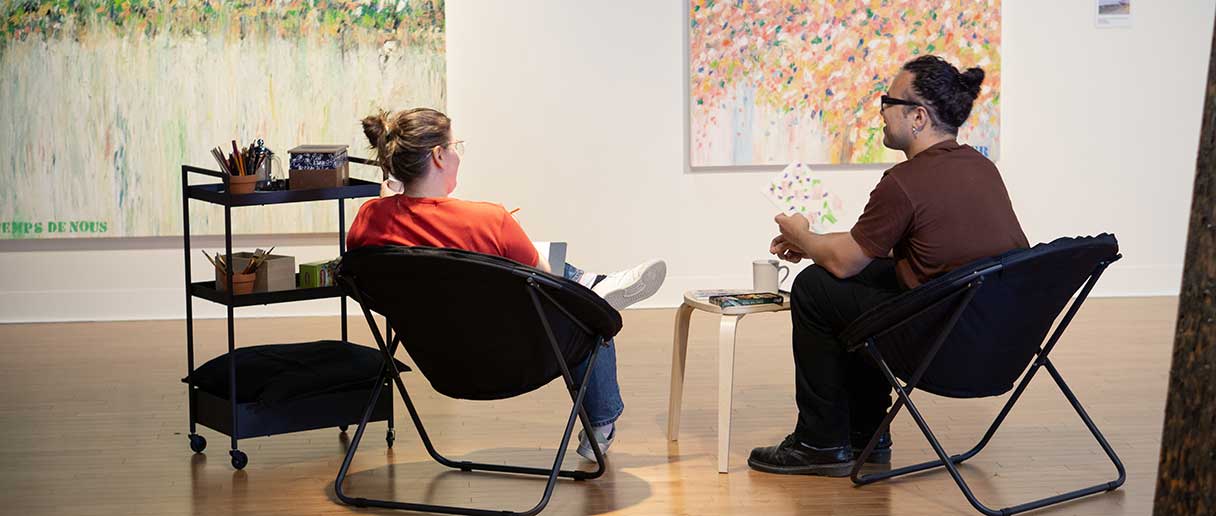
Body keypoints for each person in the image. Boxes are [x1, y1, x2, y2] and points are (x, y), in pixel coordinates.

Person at [747, 55, 1030, 476]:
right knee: (864, 275)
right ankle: (868, 436)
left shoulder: (904, 183)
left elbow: (844, 263)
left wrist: (801, 234)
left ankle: (820, 443)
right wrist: (815, 245)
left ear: (918, 117)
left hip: (946, 351)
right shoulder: (980, 167)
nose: (880, 110)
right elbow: (868, 247)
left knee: (814, 287)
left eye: (888, 100)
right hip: (1000, 345)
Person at [346, 107, 666, 461]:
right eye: (456, 147)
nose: (457, 156)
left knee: (541, 278)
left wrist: (389, 199)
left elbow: (384, 252)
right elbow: (548, 279)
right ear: (438, 155)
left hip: (443, 363)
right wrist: (511, 239)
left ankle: (595, 283)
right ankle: (600, 424)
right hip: (514, 360)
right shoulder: (489, 220)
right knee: (591, 314)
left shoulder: (368, 220)